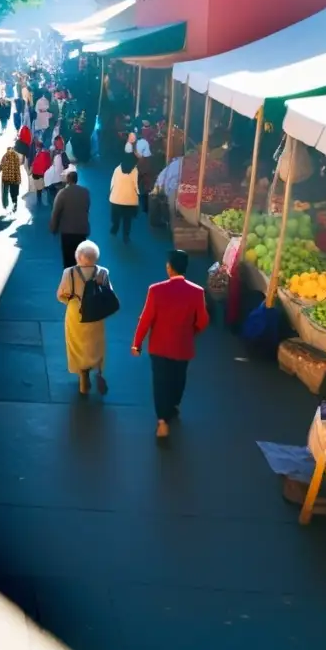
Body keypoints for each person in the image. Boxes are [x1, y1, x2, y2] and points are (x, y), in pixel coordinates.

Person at [132, 250, 210, 439]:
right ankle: (174, 405)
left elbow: (146, 320)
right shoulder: (197, 292)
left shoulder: (155, 290)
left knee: (160, 382)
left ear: (169, 267)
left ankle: (162, 421)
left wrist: (137, 343)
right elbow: (203, 321)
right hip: (183, 347)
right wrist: (191, 333)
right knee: (178, 378)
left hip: (159, 346)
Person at [57, 240, 111, 396]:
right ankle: (97, 370)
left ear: (78, 257)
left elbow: (60, 295)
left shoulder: (69, 273)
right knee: (95, 343)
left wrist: (71, 301)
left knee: (77, 344)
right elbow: (108, 293)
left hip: (76, 312)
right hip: (95, 313)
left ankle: (83, 375)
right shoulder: (103, 272)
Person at [49, 168, 90, 269]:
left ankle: (69, 279)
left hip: (67, 232)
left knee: (68, 260)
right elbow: (87, 208)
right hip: (82, 230)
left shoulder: (62, 193)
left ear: (68, 180)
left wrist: (53, 228)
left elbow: (56, 212)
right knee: (80, 258)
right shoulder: (85, 192)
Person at [109, 155, 140, 242]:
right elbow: (136, 186)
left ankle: (114, 229)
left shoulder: (117, 169)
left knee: (116, 217)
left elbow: (112, 183)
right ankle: (126, 236)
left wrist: (112, 193)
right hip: (130, 200)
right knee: (127, 220)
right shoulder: (134, 170)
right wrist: (138, 194)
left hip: (116, 199)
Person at [0, 146, 23, 213]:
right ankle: (14, 206)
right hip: (15, 178)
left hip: (6, 178)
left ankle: (5, 206)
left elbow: (1, 165)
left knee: (5, 192)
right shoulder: (16, 156)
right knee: (14, 193)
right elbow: (19, 166)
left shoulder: (5, 156)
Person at [30, 139, 52, 205]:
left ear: (39, 147)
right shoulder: (46, 153)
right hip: (43, 173)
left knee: (39, 189)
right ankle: (49, 200)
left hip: (38, 173)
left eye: (37, 147)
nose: (36, 148)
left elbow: (36, 163)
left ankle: (40, 201)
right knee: (46, 187)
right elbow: (48, 163)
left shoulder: (41, 154)